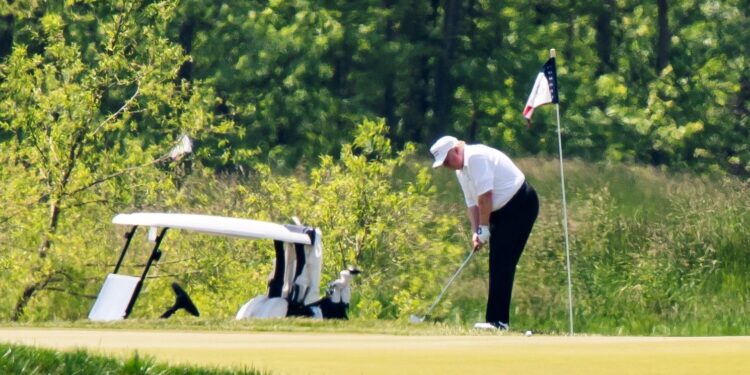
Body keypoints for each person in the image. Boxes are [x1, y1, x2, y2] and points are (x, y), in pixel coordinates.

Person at [429, 136, 539, 330]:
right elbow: (472, 204)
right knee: (497, 262)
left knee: (502, 261)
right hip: (500, 212)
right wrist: (476, 232)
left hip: (520, 204)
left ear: (455, 150)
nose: (446, 165)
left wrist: (485, 228)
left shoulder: (476, 157)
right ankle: (496, 321)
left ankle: (498, 321)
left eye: (447, 160)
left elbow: (485, 197)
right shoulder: (460, 171)